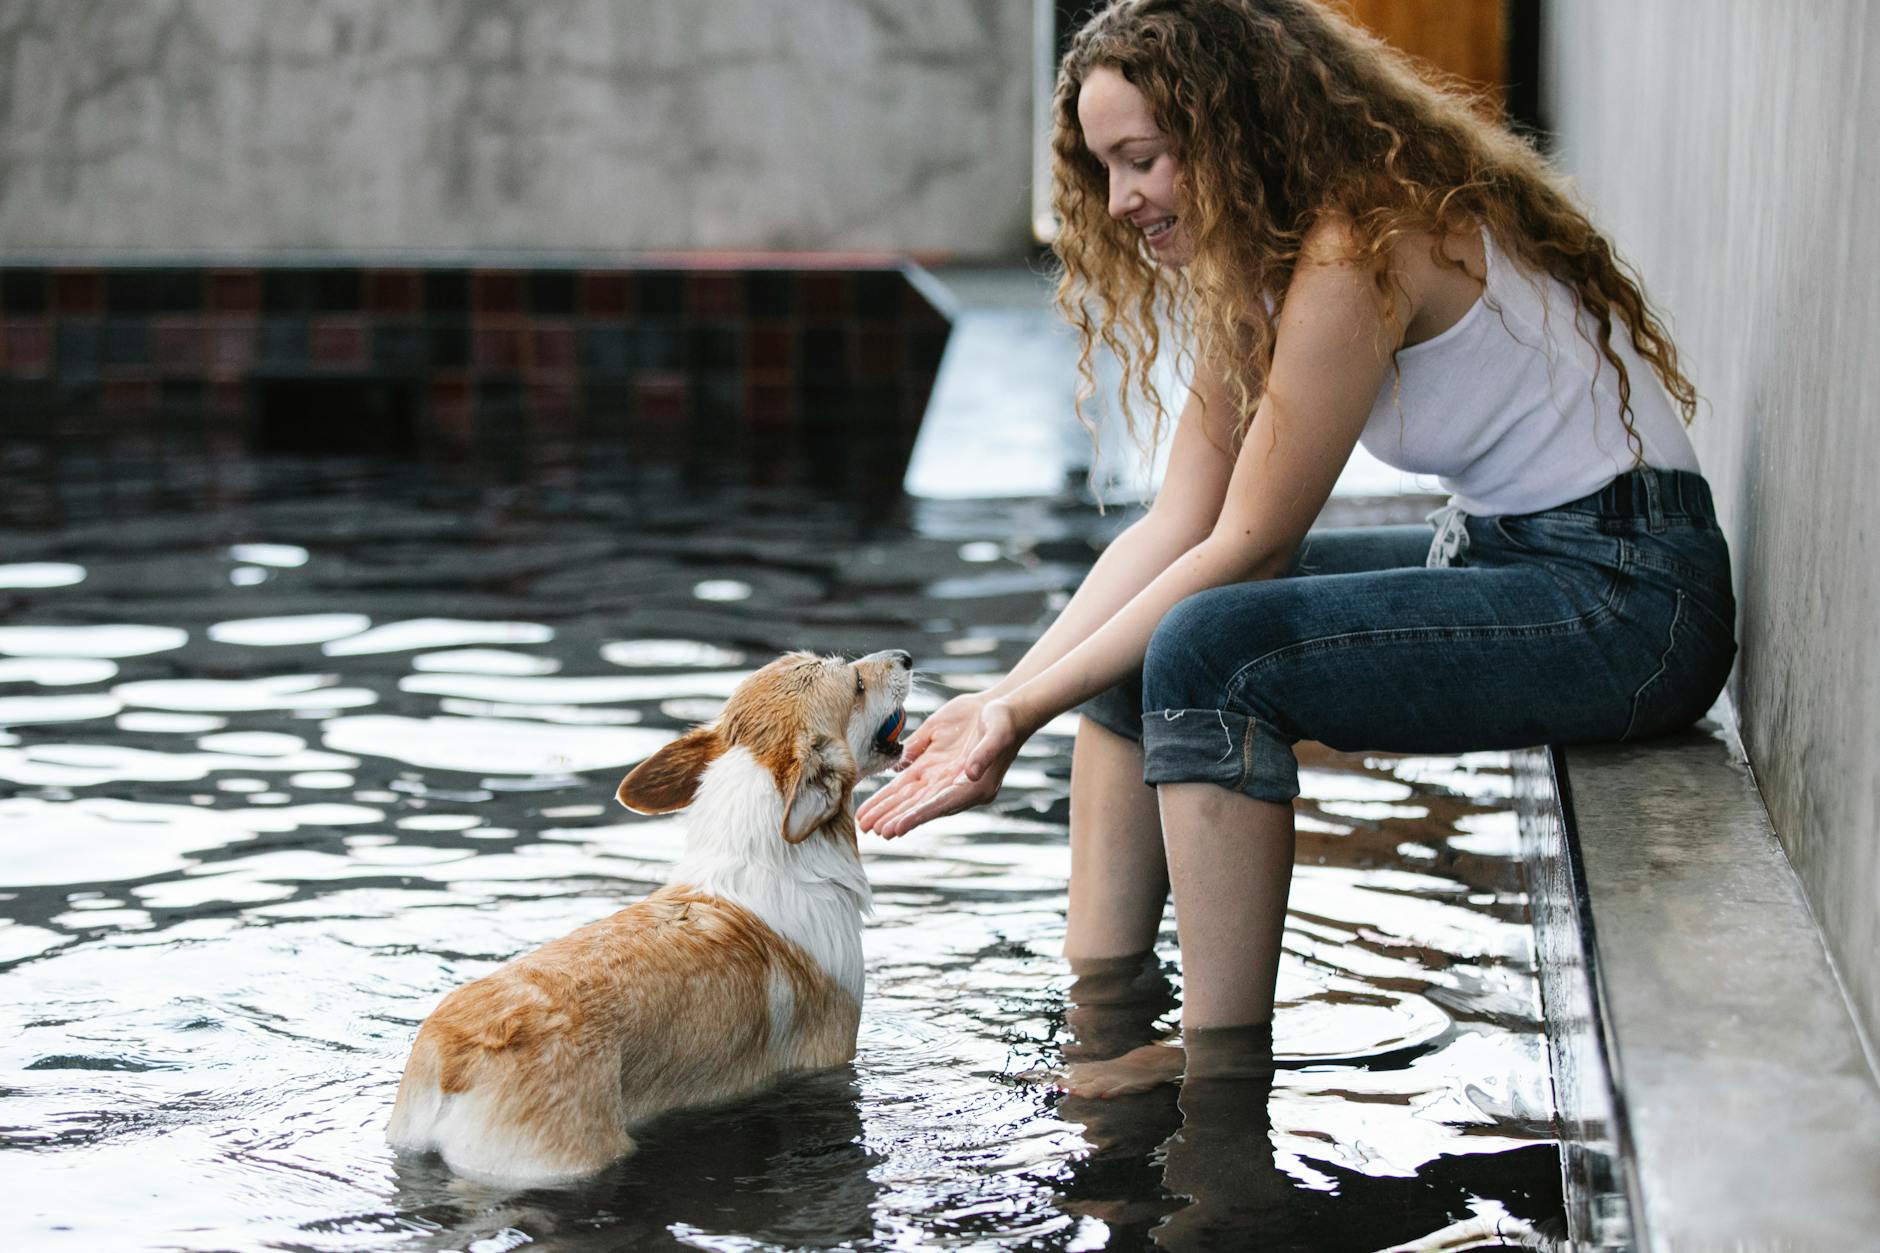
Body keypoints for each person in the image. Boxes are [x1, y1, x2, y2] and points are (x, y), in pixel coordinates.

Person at [856, 0, 1735, 1095]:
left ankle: (1219, 1069)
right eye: (1104, 168)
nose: (1120, 200)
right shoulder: (1266, 265)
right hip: (1516, 562)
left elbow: (1252, 543)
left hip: (1629, 599)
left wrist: (1014, 719)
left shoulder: (1355, 246)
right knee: (1142, 650)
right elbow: (1172, 525)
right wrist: (1007, 691)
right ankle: (1098, 1013)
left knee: (1205, 650)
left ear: (1229, 128)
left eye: (1142, 159)